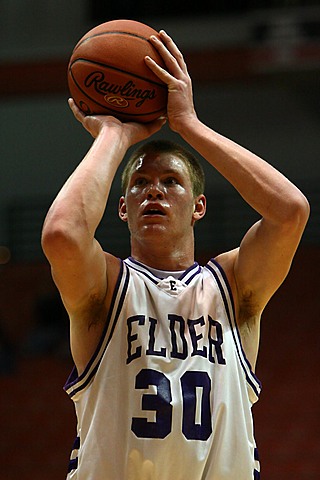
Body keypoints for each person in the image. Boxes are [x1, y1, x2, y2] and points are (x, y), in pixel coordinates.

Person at [41, 30, 309, 480]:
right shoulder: (104, 288)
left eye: (171, 182)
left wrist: (190, 126)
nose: (155, 192)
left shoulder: (233, 285)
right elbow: (63, 235)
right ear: (121, 208)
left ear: (198, 206)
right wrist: (113, 134)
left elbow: (290, 212)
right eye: (140, 184)